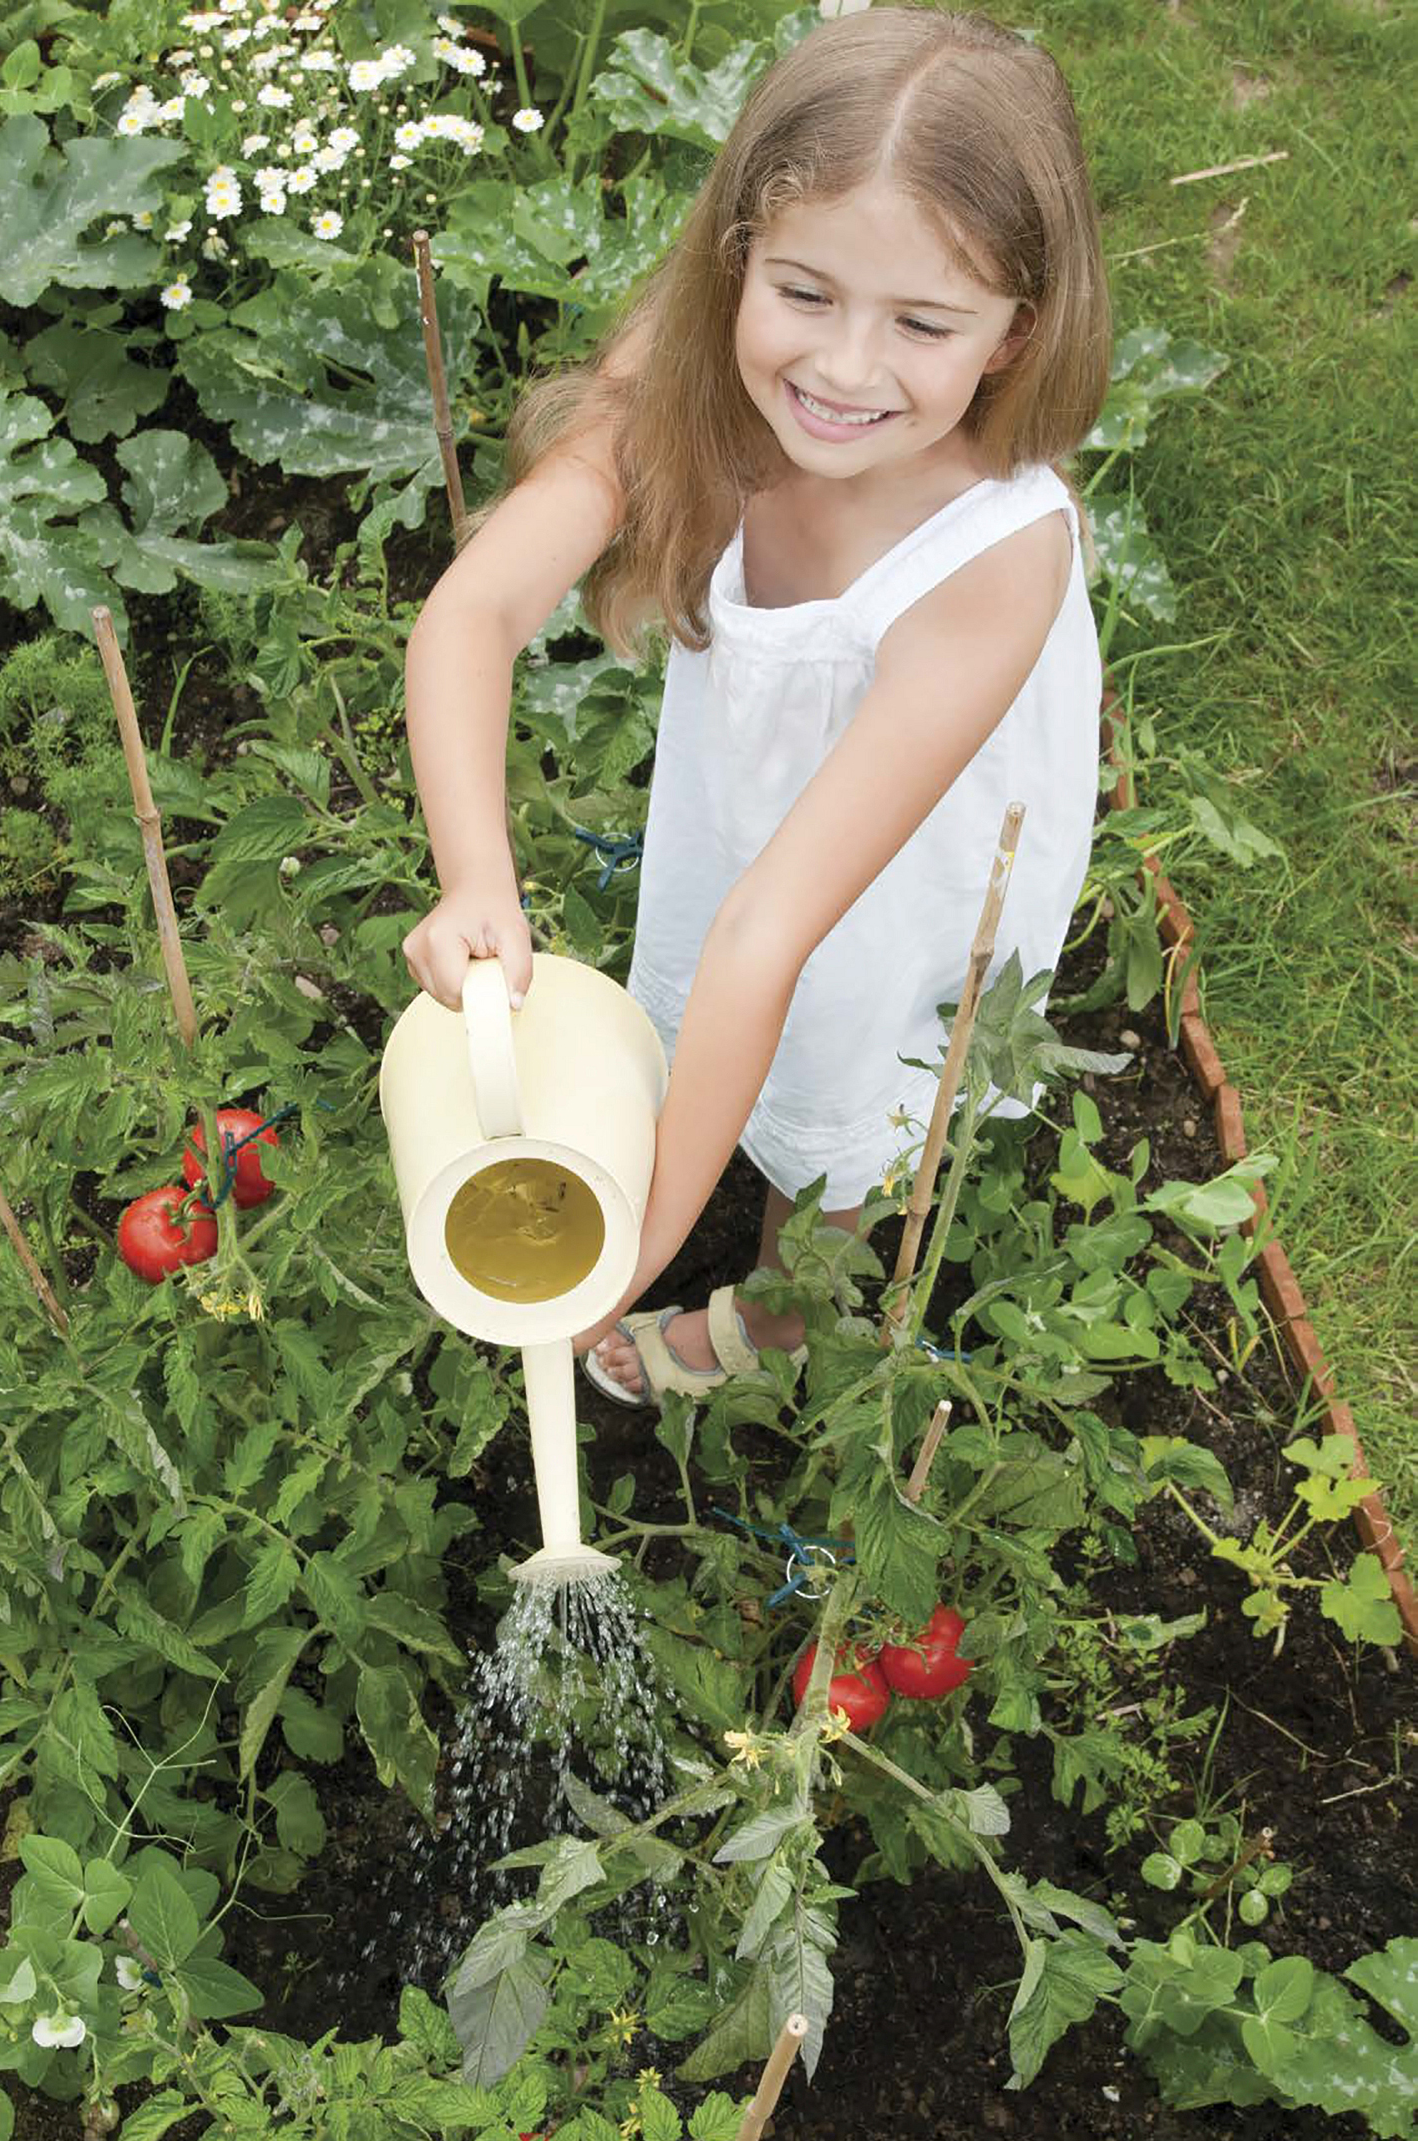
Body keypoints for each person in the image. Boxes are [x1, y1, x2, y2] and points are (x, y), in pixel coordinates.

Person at [402, 5, 1110, 1406]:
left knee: (851, 1059)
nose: (843, 371)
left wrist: (625, 1252)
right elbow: (472, 614)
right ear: (741, 255)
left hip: (908, 847)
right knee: (736, 1008)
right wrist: (475, 874)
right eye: (804, 294)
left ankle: (788, 1307)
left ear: (1018, 333)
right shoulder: (702, 383)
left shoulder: (991, 557)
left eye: (922, 323)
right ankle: (732, 1179)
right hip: (760, 811)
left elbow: (773, 929)